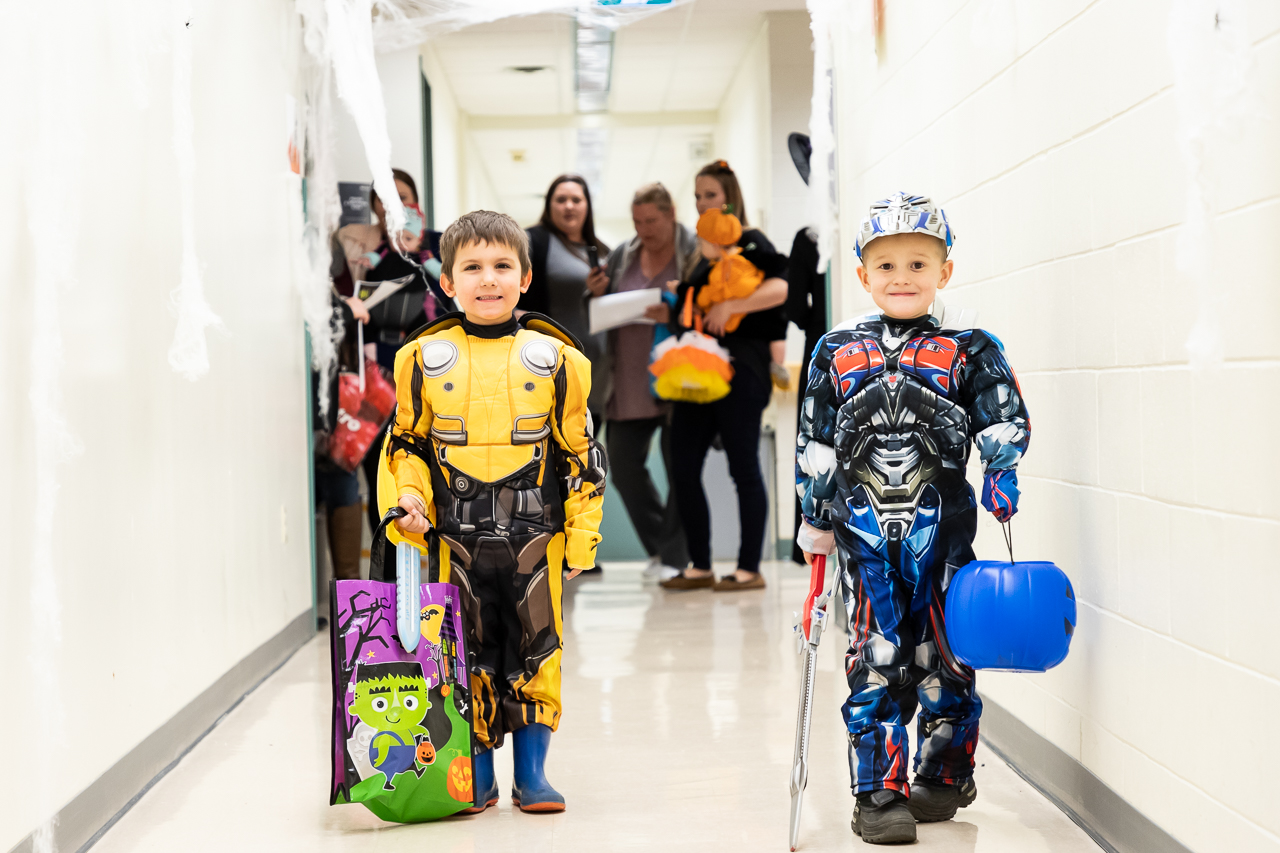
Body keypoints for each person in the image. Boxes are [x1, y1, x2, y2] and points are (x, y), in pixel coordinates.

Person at [795, 193, 1030, 844]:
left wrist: (1002, 468)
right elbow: (814, 439)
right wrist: (813, 512)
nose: (903, 276)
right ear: (863, 275)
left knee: (946, 654)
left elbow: (1001, 413)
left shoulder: (968, 347)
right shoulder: (836, 350)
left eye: (919, 263)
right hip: (864, 537)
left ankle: (947, 770)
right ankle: (878, 790)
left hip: (945, 534)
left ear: (944, 272)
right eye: (887, 264)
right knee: (878, 655)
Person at [380, 210, 607, 814]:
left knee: (538, 648)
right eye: (472, 268)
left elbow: (582, 454)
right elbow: (405, 446)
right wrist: (408, 501)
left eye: (502, 266)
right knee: (462, 653)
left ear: (525, 277)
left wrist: (583, 540)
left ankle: (532, 776)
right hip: (451, 536)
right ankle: (474, 775)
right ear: (447, 283)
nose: (488, 280)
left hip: (537, 532)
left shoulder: (559, 360)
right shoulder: (421, 359)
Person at [660, 160, 789, 592]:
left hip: (741, 372)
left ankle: (749, 568)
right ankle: (701, 564)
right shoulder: (702, 251)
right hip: (696, 373)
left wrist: (731, 306)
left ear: (729, 198)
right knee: (683, 466)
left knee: (743, 468)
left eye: (709, 195)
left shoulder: (750, 242)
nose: (701, 203)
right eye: (696, 196)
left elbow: (780, 288)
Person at [587, 183, 695, 579]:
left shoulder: (694, 251)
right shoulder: (623, 256)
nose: (644, 229)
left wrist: (679, 313)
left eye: (651, 220)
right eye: (637, 221)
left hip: (680, 377)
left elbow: (710, 304)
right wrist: (596, 292)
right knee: (625, 467)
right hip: (628, 379)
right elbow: (602, 307)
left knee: (680, 467)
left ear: (671, 214)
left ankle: (674, 558)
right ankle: (657, 547)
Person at [338, 169, 451, 539]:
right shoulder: (364, 252)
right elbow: (360, 300)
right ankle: (388, 561)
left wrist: (420, 252)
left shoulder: (438, 244)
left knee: (437, 461)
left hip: (433, 365)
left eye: (403, 196)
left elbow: (451, 297)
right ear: (375, 207)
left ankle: (436, 551)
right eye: (386, 198)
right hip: (378, 369)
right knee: (382, 462)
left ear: (416, 202)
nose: (396, 205)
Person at [520, 174, 611, 421]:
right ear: (549, 206)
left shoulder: (602, 250)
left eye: (576, 199)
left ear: (587, 206)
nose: (569, 205)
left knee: (589, 453)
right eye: (561, 199)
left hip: (598, 371)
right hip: (550, 369)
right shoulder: (533, 241)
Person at [783, 133, 830, 564]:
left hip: (819, 351)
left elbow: (794, 306)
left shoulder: (807, 238)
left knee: (812, 444)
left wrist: (815, 324)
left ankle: (808, 542)